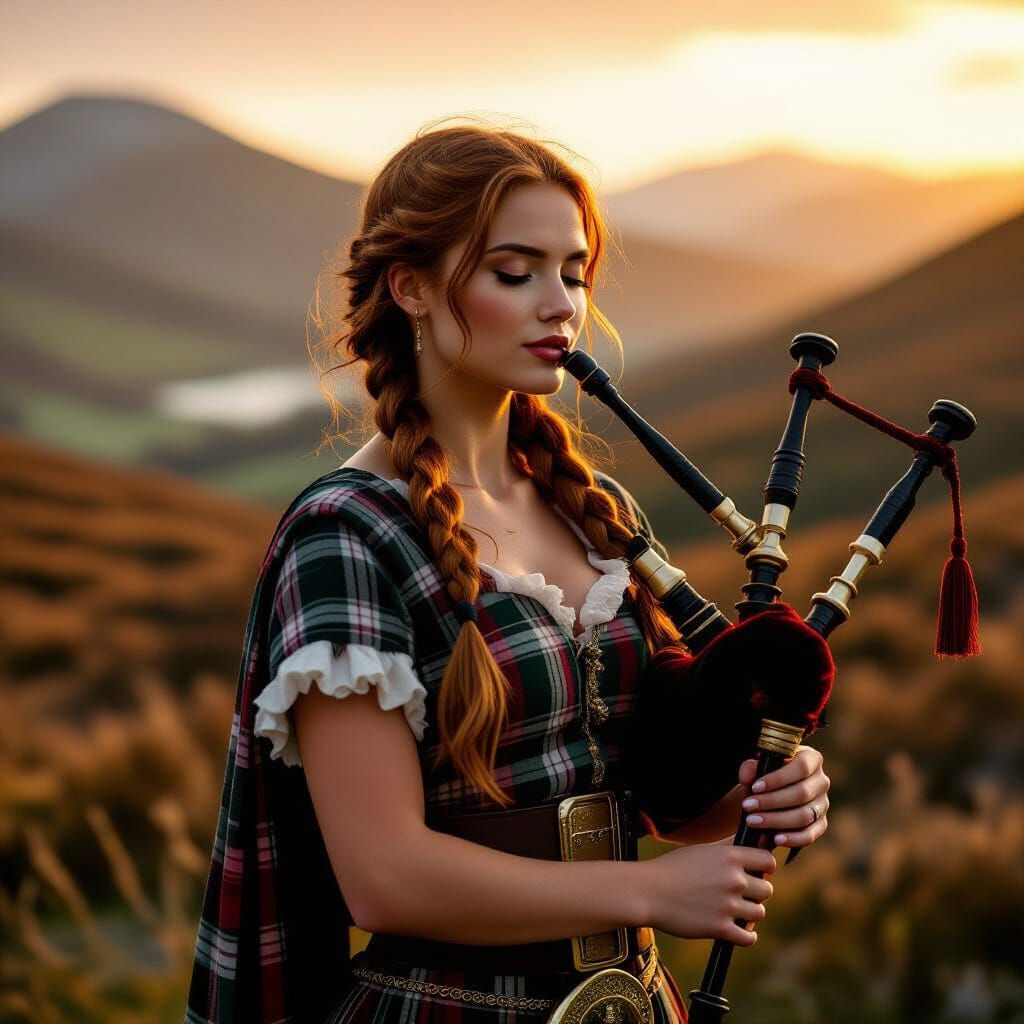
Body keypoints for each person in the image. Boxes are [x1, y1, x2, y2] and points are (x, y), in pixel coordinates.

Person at [184, 120, 831, 1024]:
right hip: (444, 1004)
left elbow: (653, 800)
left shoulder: (596, 508)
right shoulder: (347, 534)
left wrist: (760, 796)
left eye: (573, 272)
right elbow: (386, 879)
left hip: (630, 1003)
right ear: (409, 286)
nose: (562, 304)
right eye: (514, 272)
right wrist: (645, 896)